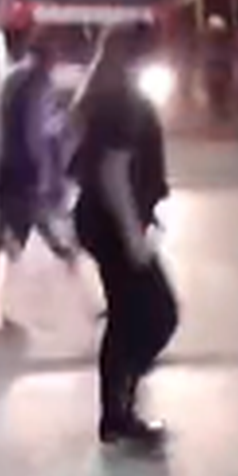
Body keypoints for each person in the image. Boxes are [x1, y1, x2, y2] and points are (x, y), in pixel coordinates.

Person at [71, 24, 179, 452]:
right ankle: (120, 404)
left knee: (128, 316)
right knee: (158, 313)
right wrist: (133, 234)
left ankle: (117, 412)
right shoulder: (122, 102)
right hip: (111, 223)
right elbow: (112, 173)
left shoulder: (107, 95)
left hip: (101, 220)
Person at [0, 32, 80, 335]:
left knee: (12, 238)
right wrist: (45, 177)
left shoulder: (14, 80)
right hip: (30, 176)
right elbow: (36, 134)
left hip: (9, 169)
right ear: (50, 56)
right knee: (23, 239)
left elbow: (3, 117)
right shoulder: (38, 84)